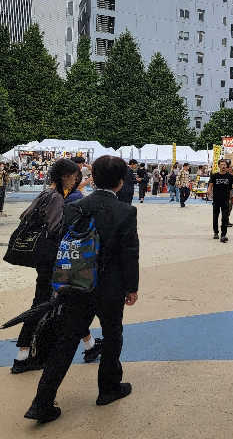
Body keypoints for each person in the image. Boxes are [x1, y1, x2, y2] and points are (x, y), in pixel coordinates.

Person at [24, 155, 140, 423]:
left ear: (92, 178)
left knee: (66, 340)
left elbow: (61, 241)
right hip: (110, 287)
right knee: (113, 334)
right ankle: (108, 388)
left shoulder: (75, 206)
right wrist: (131, 287)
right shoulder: (125, 212)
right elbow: (130, 254)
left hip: (76, 283)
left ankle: (42, 401)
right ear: (121, 182)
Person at [13, 159, 102, 374]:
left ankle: (89, 345)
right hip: (53, 261)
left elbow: (23, 216)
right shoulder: (57, 198)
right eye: (73, 176)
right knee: (46, 304)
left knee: (62, 303)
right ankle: (22, 357)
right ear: (64, 176)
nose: (75, 180)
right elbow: (56, 229)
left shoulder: (45, 194)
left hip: (43, 259)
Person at [210, 159, 233, 242]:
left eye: (225, 165)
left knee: (224, 218)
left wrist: (232, 197)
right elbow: (211, 185)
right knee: (215, 217)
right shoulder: (214, 176)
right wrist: (209, 191)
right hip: (216, 199)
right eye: (222, 164)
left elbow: (230, 188)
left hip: (225, 200)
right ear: (219, 166)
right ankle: (216, 232)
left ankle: (223, 235)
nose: (223, 166)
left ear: (226, 166)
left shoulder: (230, 177)